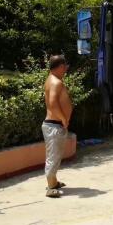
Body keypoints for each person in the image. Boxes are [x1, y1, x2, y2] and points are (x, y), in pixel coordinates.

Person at [42, 54, 72, 198]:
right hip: (54, 125)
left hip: (53, 125)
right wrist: (64, 119)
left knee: (55, 156)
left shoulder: (51, 79)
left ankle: (53, 182)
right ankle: (50, 187)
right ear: (60, 67)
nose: (66, 69)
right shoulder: (56, 82)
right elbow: (53, 104)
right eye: (65, 66)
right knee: (53, 157)